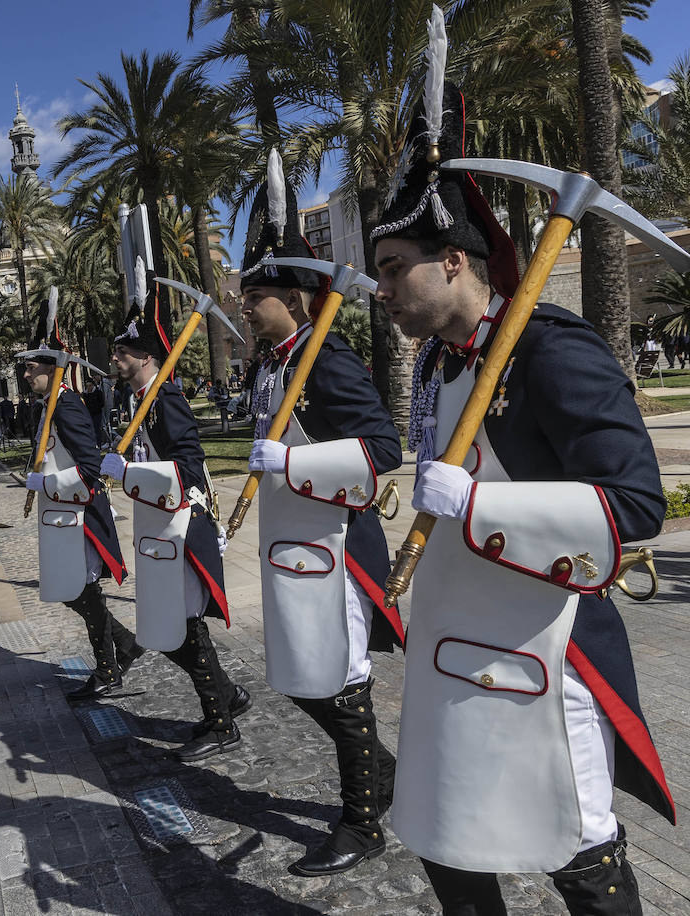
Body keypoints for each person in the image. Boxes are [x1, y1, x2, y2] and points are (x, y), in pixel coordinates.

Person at [369, 71, 672, 914]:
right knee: (442, 829)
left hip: (548, 651)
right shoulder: (437, 361)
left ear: (455, 260)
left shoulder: (546, 349)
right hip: (451, 642)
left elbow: (634, 504)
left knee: (574, 847)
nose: (382, 291)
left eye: (395, 270)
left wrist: (480, 508)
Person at [237, 154, 406, 876]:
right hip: (289, 550)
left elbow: (384, 448)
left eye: (258, 295)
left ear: (296, 297)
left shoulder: (326, 358)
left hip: (336, 551)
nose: (245, 306)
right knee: (301, 677)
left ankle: (364, 822)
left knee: (341, 679)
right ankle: (384, 772)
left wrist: (294, 465)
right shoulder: (272, 363)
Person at [100, 292, 247, 762]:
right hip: (159, 525)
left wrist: (127, 474)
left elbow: (188, 466)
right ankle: (228, 696)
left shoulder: (166, 397)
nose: (115, 358)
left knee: (181, 625)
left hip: (183, 522)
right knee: (165, 628)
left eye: (122, 352)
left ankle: (221, 723)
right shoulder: (140, 397)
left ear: (146, 357)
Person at [18, 303, 142, 701]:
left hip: (79, 518)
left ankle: (109, 670)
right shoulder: (50, 406)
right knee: (74, 593)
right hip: (62, 518)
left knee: (81, 592)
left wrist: (47, 483)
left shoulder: (67, 404)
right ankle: (123, 645)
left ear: (49, 369)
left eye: (30, 368)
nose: (25, 375)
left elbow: (90, 469)